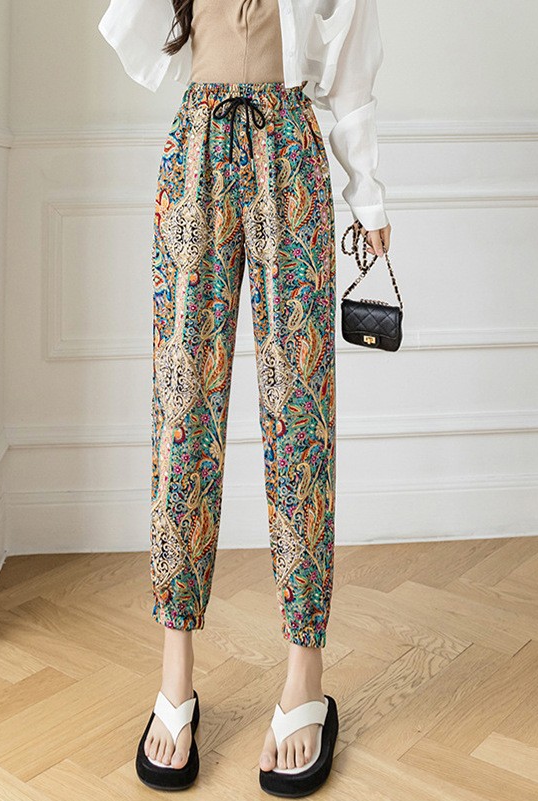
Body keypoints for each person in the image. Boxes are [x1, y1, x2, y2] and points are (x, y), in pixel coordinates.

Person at [98, 0, 391, 795]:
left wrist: (368, 197)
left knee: (300, 414)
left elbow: (351, 67)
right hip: (196, 146)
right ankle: (176, 677)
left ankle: (305, 675)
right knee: (182, 413)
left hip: (289, 149)